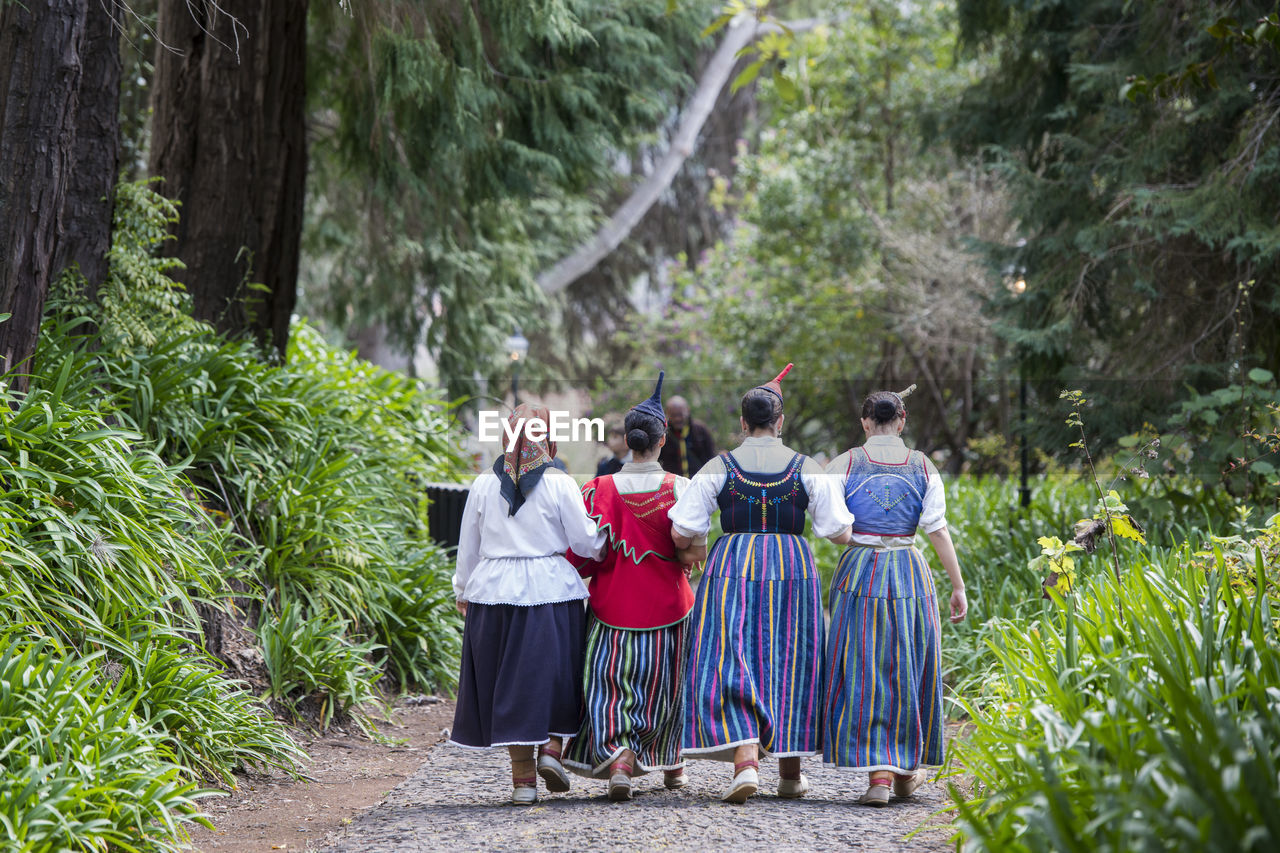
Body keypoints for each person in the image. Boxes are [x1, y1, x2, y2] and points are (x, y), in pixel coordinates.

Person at [670, 364, 854, 804]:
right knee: (792, 658)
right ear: (780, 422)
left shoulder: (719, 466)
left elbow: (682, 529)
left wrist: (693, 548)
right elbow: (838, 531)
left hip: (732, 560)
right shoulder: (807, 467)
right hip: (792, 564)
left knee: (731, 652)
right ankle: (790, 774)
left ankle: (746, 760)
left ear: (742, 423)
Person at [449, 403, 607, 805]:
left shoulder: (484, 483)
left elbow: (468, 546)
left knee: (508, 685)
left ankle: (523, 783)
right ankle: (552, 749)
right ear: (548, 437)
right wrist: (608, 535)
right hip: (550, 590)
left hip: (493, 592)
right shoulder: (559, 482)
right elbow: (585, 543)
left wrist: (463, 590)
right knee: (558, 675)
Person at [822, 390, 967, 806]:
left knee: (865, 665)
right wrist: (957, 586)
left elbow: (831, 525)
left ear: (865, 422)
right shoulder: (924, 466)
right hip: (909, 569)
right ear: (901, 421)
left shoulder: (843, 464)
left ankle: (880, 776)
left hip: (859, 568)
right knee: (907, 662)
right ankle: (904, 769)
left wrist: (861, 542)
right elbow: (937, 529)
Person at [563, 372, 699, 800]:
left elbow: (585, 550)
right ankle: (672, 764)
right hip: (670, 604)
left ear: (629, 438)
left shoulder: (598, 489)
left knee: (613, 684)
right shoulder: (681, 488)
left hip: (612, 605)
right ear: (662, 441)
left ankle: (620, 756)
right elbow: (693, 550)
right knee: (668, 684)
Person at [659, 395, 716, 477]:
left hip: (698, 482)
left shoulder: (700, 430)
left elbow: (711, 458)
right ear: (667, 413)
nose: (677, 419)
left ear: (687, 411)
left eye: (680, 414)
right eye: (673, 415)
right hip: (673, 485)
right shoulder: (663, 434)